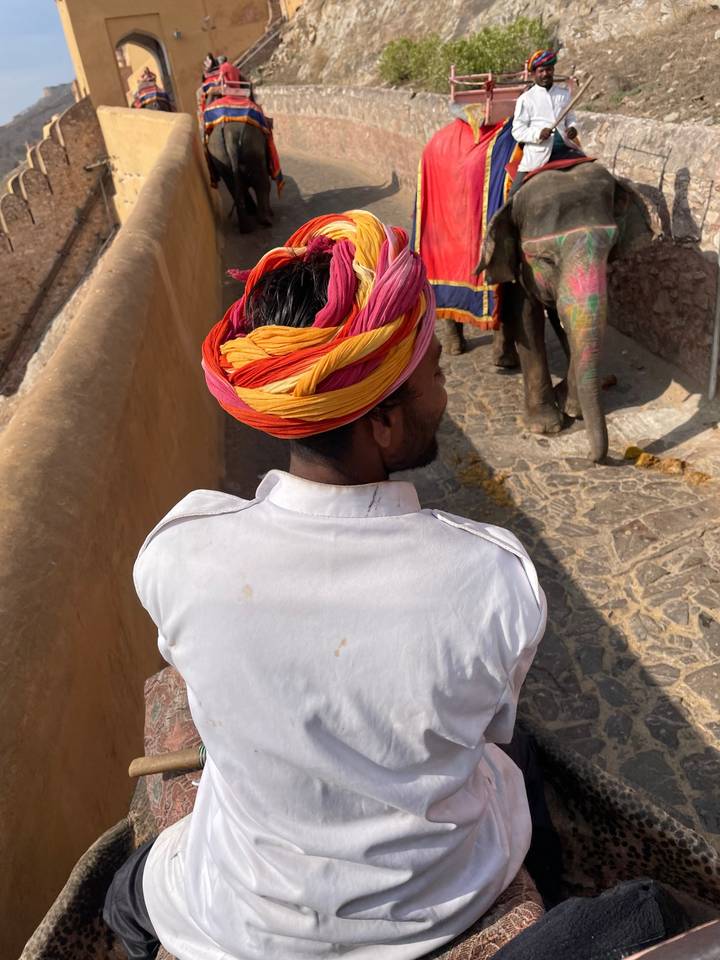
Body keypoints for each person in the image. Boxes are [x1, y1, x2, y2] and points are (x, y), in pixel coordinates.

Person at [103, 211, 549, 960]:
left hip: (235, 912)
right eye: (435, 373)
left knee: (121, 897)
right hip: (437, 907)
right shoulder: (496, 578)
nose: (445, 392)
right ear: (381, 422)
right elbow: (494, 728)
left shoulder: (178, 554)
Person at [510, 49, 584, 195]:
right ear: (534, 74)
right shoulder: (526, 99)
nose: (545, 74)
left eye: (549, 70)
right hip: (538, 155)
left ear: (553, 70)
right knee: (514, 195)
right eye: (541, 71)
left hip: (564, 150)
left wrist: (572, 128)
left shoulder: (563, 94)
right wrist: (538, 134)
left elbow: (571, 119)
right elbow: (517, 130)